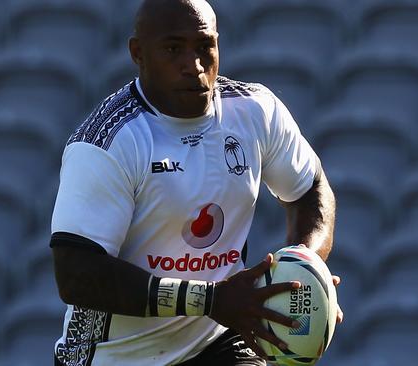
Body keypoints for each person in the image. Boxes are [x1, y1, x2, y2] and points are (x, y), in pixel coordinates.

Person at [50, 0, 341, 365]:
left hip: (218, 342)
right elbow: (76, 274)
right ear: (138, 53)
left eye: (205, 47)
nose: (194, 65)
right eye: (173, 49)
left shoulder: (254, 112)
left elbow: (311, 190)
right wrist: (211, 299)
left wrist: (305, 265)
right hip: (115, 356)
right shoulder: (108, 142)